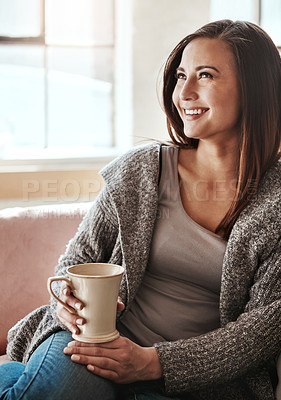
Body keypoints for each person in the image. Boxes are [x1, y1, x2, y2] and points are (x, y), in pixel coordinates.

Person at [1, 19, 281, 400]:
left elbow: (261, 330)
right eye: (181, 76)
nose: (185, 92)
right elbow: (78, 259)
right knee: (66, 383)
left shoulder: (275, 203)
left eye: (206, 76)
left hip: (189, 381)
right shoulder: (141, 171)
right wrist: (65, 300)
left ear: (255, 89)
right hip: (95, 344)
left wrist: (152, 364)